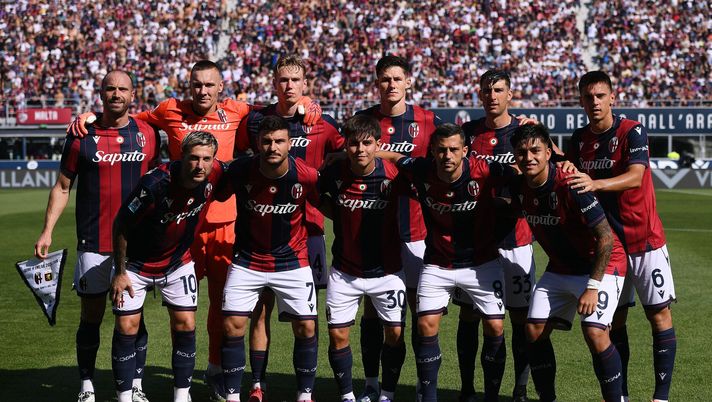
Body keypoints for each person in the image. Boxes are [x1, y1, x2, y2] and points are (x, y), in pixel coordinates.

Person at [69, 59, 322, 401]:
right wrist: (90, 119)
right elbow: (126, 118)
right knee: (180, 311)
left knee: (224, 307)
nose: (202, 91)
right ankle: (157, 383)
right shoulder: (169, 109)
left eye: (209, 85)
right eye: (196, 85)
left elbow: (276, 111)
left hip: (226, 224)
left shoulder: (239, 110)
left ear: (221, 88)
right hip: (182, 223)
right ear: (189, 86)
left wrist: (304, 104)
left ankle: (217, 371)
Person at [34, 70, 161, 402]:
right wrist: (47, 230)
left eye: (123, 89)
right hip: (93, 241)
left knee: (134, 317)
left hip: (137, 244)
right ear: (101, 93)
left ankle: (135, 384)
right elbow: (63, 186)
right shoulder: (81, 135)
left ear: (133, 94)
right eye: (110, 89)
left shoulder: (148, 134)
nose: (116, 94)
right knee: (91, 316)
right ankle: (87, 385)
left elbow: (161, 185)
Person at [235, 55, 343, 402]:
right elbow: (238, 158)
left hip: (307, 231)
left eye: (295, 81)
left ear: (305, 84)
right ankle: (256, 385)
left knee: (305, 319)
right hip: (258, 229)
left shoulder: (321, 123)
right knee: (259, 312)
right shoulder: (255, 121)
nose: (289, 86)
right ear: (274, 82)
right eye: (283, 80)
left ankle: (305, 391)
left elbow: (348, 152)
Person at [379, 123, 512, 402]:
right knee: (425, 324)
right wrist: (344, 156)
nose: (447, 155)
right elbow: (390, 156)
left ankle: (490, 396)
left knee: (496, 327)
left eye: (454, 149)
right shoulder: (421, 169)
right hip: (437, 264)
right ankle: (429, 397)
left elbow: (523, 173)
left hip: (482, 263)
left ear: (465, 151)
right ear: (432, 152)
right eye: (441, 150)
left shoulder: (484, 169)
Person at [567, 71, 676, 402]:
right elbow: (568, 172)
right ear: (581, 101)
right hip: (609, 246)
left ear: (612, 97)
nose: (595, 102)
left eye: (600, 96)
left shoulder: (632, 130)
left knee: (658, 314)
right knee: (612, 322)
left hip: (645, 239)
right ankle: (622, 395)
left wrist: (596, 183)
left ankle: (661, 397)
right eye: (588, 97)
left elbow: (635, 176)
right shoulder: (578, 139)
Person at [508, 123, 626, 402]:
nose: (529, 158)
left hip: (602, 263)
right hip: (561, 268)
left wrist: (593, 287)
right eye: (522, 153)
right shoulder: (518, 186)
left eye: (536, 150)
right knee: (533, 330)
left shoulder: (571, 184)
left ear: (549, 152)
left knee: (595, 332)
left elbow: (606, 238)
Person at [110, 131, 224, 402]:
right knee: (127, 327)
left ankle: (181, 395)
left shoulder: (215, 174)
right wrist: (121, 272)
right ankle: (124, 396)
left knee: (185, 324)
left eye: (207, 159)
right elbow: (120, 225)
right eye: (194, 158)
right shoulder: (155, 184)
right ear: (181, 157)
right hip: (136, 265)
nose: (200, 165)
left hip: (176, 262)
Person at [353, 54, 441, 401]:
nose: (390, 85)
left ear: (408, 82)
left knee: (421, 315)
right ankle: (373, 384)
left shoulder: (427, 120)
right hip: (377, 236)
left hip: (418, 233)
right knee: (374, 314)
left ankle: (422, 384)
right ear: (377, 83)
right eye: (384, 79)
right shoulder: (364, 122)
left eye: (396, 78)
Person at [218, 116, 320, 402]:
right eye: (266, 141)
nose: (272, 147)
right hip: (248, 259)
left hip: (292, 260)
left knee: (306, 326)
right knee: (232, 325)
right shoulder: (240, 170)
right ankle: (234, 395)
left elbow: (327, 203)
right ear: (257, 143)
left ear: (290, 144)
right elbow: (213, 187)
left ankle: (305, 394)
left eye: (278, 141)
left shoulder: (307, 175)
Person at [459, 70, 535, 401]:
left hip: (517, 240)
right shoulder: (467, 134)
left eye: (499, 89)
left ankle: (519, 388)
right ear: (480, 94)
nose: (492, 95)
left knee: (520, 320)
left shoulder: (524, 132)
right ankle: (467, 389)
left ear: (510, 95)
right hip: (477, 243)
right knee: (470, 316)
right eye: (487, 90)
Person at [319, 115, 406, 402]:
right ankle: (348, 396)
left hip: (388, 270)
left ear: (377, 145)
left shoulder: (394, 174)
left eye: (367, 144)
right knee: (338, 337)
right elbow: (322, 200)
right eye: (354, 144)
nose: (360, 150)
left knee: (394, 334)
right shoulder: (334, 173)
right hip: (345, 270)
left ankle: (387, 394)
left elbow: (415, 163)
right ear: (346, 145)